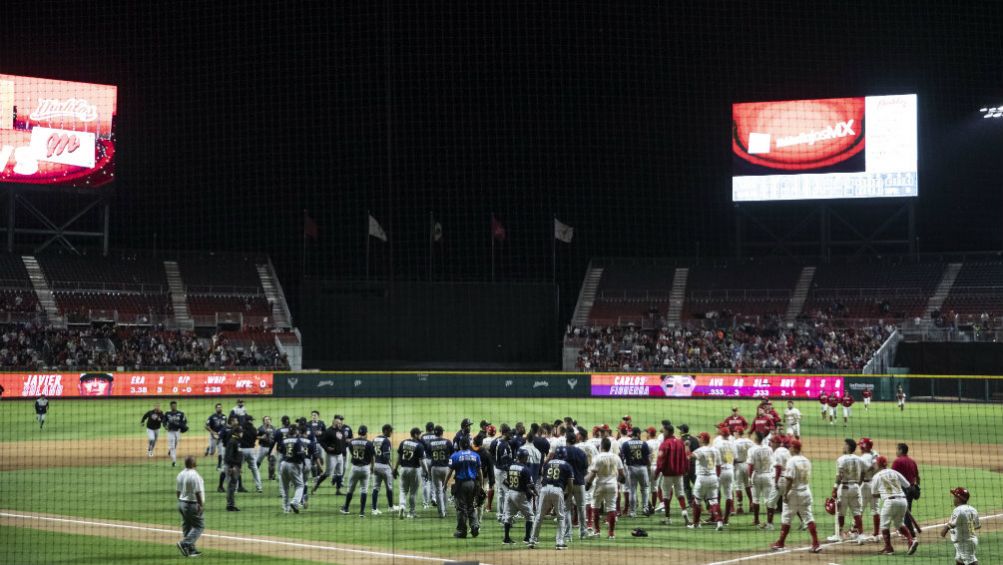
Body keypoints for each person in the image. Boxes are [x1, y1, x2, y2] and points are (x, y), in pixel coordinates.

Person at [770, 439, 822, 553]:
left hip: (794, 492)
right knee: (808, 517)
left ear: (794, 448)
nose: (789, 449)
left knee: (786, 518)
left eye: (790, 447)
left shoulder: (791, 461)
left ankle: (781, 543)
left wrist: (786, 494)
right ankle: (816, 543)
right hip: (806, 491)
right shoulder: (806, 460)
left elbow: (789, 479)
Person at [868, 455, 918, 555]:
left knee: (884, 525)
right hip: (903, 501)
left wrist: (883, 494)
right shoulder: (894, 472)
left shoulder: (876, 476)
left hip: (890, 502)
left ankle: (888, 548)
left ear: (878, 464)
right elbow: (908, 485)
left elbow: (873, 494)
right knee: (899, 524)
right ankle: (911, 541)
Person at [531, 446, 574, 550]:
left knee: (539, 516)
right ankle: (559, 542)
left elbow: (542, 475)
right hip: (557, 490)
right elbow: (570, 483)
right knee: (561, 516)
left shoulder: (548, 463)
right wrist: (568, 494)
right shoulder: (567, 465)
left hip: (544, 489)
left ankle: (532, 540)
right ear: (564, 455)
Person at [586, 437, 625, 540]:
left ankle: (597, 531)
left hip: (599, 484)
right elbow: (622, 474)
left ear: (601, 446)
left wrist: (588, 484)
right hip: (612, 485)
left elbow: (593, 473)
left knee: (595, 507)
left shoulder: (597, 457)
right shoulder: (616, 457)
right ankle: (611, 533)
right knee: (611, 508)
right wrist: (622, 480)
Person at [445, 437, 483, 539]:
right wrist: (481, 486)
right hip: (472, 484)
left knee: (461, 508)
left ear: (460, 445)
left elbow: (449, 472)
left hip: (461, 484)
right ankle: (475, 526)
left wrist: (445, 484)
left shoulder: (455, 456)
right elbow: (480, 472)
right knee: (471, 506)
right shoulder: (476, 455)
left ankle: (462, 531)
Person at [654, 423, 690, 526]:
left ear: (667, 432)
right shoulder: (680, 443)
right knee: (680, 494)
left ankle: (668, 518)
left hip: (668, 475)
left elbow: (661, 461)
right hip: (679, 474)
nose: (663, 432)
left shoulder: (665, 444)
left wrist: (657, 473)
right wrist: (686, 470)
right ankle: (684, 513)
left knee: (666, 495)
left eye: (664, 431)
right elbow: (686, 458)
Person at [830, 438, 864, 542]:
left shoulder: (841, 459)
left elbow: (840, 475)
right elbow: (863, 473)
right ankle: (860, 535)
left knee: (841, 512)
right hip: (856, 487)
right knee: (857, 512)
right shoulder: (859, 459)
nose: (843, 447)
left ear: (848, 447)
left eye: (844, 445)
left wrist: (835, 488)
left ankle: (839, 535)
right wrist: (858, 484)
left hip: (844, 488)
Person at [688, 432, 724, 531]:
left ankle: (696, 524)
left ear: (703, 439)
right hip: (713, 477)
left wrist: (686, 446)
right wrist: (717, 477)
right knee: (714, 501)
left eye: (699, 438)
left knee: (697, 501)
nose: (698, 439)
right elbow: (719, 466)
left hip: (702, 478)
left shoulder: (700, 450)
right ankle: (720, 522)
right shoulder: (715, 450)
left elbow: (689, 456)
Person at [501, 448, 536, 545]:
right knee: (530, 517)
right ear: (524, 457)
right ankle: (527, 538)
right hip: (520, 495)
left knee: (508, 517)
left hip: (510, 493)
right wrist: (534, 492)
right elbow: (530, 485)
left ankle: (506, 538)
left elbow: (505, 481)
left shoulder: (511, 466)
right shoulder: (525, 469)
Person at [342, 425, 376, 517]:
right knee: (364, 490)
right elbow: (372, 457)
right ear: (366, 433)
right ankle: (361, 512)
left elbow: (351, 452)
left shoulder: (352, 442)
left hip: (355, 468)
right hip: (365, 468)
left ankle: (346, 508)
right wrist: (372, 467)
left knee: (350, 489)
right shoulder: (369, 443)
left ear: (358, 432)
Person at [941, 487, 980, 565]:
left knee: (971, 562)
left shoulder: (958, 510)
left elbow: (951, 525)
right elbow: (977, 526)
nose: (954, 499)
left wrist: (944, 531)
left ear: (959, 499)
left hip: (965, 542)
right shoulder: (973, 509)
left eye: (955, 497)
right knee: (959, 561)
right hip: (969, 540)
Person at [175, 455, 205, 558]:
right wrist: (201, 505)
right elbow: (198, 492)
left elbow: (178, 492)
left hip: (182, 503)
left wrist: (181, 503)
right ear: (193, 463)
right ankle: (185, 544)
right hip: (192, 504)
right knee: (199, 526)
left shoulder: (180, 474)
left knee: (187, 526)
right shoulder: (194, 475)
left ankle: (191, 550)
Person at [395, 427, 428, 519]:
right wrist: (426, 471)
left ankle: (402, 506)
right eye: (419, 434)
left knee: (403, 490)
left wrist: (395, 468)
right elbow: (422, 461)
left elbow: (398, 457)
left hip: (403, 469)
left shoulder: (403, 442)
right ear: (416, 434)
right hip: (414, 470)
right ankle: (411, 512)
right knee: (413, 492)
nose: (420, 436)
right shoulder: (419, 445)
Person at [892, 443, 922, 537]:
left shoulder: (898, 461)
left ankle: (910, 533)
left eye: (897, 449)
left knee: (904, 511)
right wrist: (918, 487)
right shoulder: (912, 461)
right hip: (912, 489)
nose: (896, 451)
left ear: (901, 450)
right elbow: (917, 477)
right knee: (905, 510)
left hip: (903, 489)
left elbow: (892, 476)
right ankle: (904, 529)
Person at [621, 427, 651, 518]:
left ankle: (633, 512)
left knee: (632, 490)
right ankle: (645, 508)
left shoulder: (625, 444)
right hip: (642, 468)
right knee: (645, 489)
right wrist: (648, 469)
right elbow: (648, 459)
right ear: (638, 434)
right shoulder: (644, 444)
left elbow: (623, 458)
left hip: (631, 469)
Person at [748, 431, 775, 529]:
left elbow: (750, 465)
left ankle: (756, 520)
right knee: (768, 500)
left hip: (757, 475)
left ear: (755, 438)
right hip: (768, 475)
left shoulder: (752, 449)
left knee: (755, 499)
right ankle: (769, 522)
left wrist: (749, 477)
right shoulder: (769, 448)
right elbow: (772, 462)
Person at [858, 437, 882, 541]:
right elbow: (878, 466)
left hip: (866, 485)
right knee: (875, 509)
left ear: (864, 446)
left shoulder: (863, 458)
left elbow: (861, 473)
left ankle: (858, 532)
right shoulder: (876, 454)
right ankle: (876, 535)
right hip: (876, 483)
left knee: (859, 509)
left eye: (861, 445)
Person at [427, 425, 453, 518]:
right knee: (444, 489)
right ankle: (445, 510)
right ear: (442, 432)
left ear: (435, 433)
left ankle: (441, 513)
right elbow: (452, 454)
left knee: (438, 491)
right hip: (446, 468)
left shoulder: (430, 443)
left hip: (434, 468)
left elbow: (429, 456)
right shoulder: (448, 442)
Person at [712, 425, 737, 524]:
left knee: (715, 495)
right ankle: (726, 520)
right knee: (729, 495)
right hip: (730, 470)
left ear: (722, 434)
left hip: (720, 471)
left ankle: (717, 518)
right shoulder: (732, 444)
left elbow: (713, 458)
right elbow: (735, 458)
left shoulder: (718, 444)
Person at [279, 426, 306, 513]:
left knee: (285, 488)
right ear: (296, 431)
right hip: (294, 465)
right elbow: (301, 454)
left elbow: (281, 451)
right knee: (300, 485)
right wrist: (303, 463)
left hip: (283, 464)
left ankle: (286, 509)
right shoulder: (298, 441)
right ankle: (295, 502)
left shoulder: (284, 440)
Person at [370, 424, 396, 515]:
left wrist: (372, 466)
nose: (391, 433)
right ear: (385, 430)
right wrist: (392, 467)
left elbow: (371, 454)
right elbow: (386, 457)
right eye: (390, 431)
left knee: (375, 488)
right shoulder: (386, 441)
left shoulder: (375, 439)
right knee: (389, 487)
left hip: (376, 465)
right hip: (384, 467)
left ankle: (374, 509)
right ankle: (390, 507)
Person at [732, 426, 756, 515]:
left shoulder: (734, 443)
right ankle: (752, 504)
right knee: (748, 485)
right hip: (748, 465)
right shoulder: (749, 441)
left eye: (735, 432)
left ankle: (740, 507)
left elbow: (732, 457)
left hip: (738, 465)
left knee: (738, 486)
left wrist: (731, 465)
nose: (734, 433)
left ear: (738, 433)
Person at [222, 420, 243, 511]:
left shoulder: (236, 441)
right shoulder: (232, 441)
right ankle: (230, 505)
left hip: (235, 466)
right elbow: (229, 456)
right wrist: (232, 467)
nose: (242, 434)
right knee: (231, 486)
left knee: (232, 486)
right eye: (241, 432)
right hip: (232, 467)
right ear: (237, 433)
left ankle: (231, 504)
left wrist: (239, 467)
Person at [239, 415, 263, 493]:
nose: (252, 421)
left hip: (242, 450)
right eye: (251, 420)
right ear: (249, 420)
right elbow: (256, 437)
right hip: (251, 450)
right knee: (255, 469)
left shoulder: (241, 428)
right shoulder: (253, 429)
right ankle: (259, 487)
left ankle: (235, 488)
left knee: (238, 469)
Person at [165, 401, 188, 467]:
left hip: (177, 431)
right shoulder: (167, 413)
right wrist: (165, 426)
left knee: (175, 444)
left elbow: (184, 421)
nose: (174, 407)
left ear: (176, 406)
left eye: (175, 405)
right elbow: (164, 421)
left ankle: (170, 450)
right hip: (170, 432)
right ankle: (174, 461)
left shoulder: (181, 413)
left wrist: (181, 426)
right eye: (172, 406)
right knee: (172, 446)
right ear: (170, 406)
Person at [255, 416, 277, 481]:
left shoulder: (274, 428)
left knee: (272, 462)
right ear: (263, 421)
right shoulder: (260, 429)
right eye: (266, 420)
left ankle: (271, 476)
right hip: (262, 447)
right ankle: (255, 474)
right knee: (258, 462)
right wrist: (261, 438)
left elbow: (276, 438)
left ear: (270, 420)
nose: (267, 421)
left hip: (271, 448)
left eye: (269, 419)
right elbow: (255, 436)